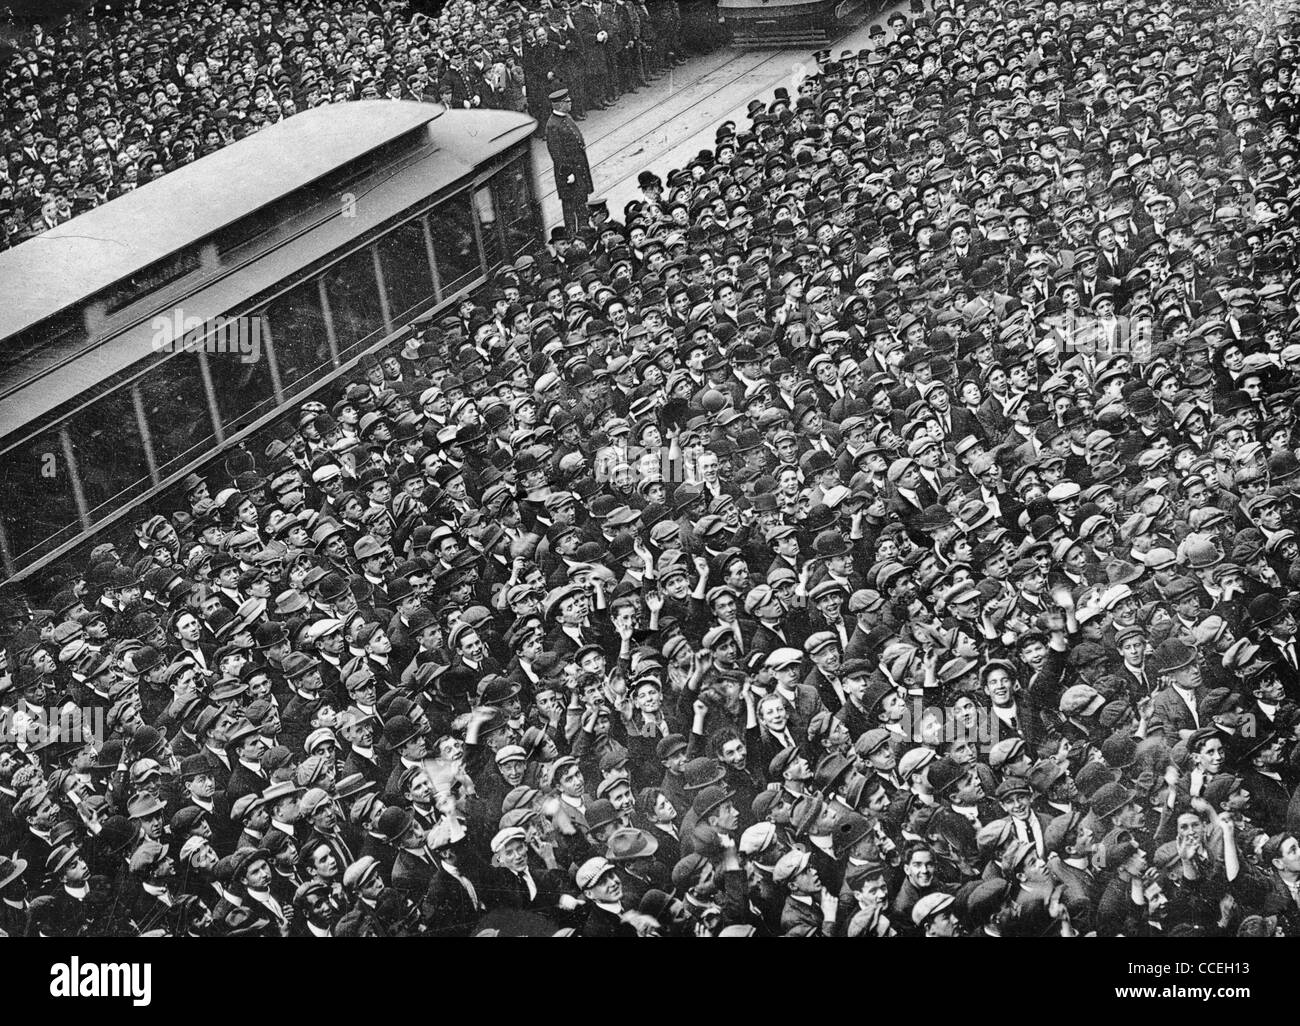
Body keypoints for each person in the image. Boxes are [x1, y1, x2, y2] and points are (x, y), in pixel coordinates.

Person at [544, 88, 593, 236]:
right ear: (559, 105)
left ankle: (584, 228)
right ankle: (572, 234)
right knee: (571, 205)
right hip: (568, 174)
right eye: (567, 101)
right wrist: (568, 173)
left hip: (578, 168)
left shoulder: (566, 117)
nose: (570, 103)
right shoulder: (553, 125)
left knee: (581, 200)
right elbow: (557, 154)